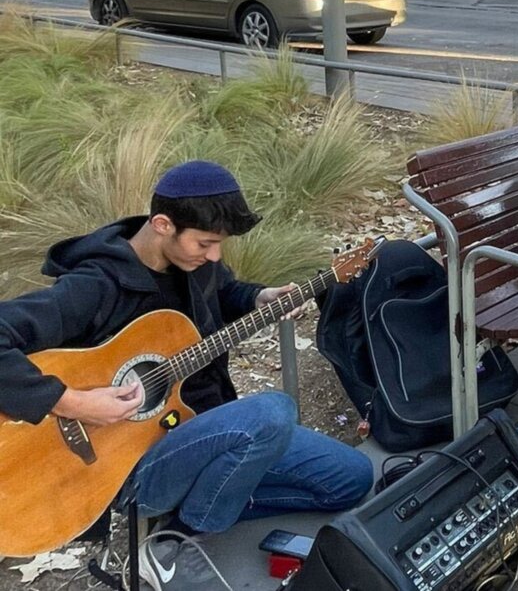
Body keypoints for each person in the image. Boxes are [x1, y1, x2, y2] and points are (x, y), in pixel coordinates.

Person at [0, 160, 373, 590]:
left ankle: (213, 497)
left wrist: (259, 297)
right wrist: (74, 401)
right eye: (206, 244)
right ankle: (175, 538)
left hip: (202, 430)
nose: (214, 255)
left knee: (351, 479)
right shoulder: (94, 285)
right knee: (273, 412)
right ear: (162, 225)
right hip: (127, 465)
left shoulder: (197, 264)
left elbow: (224, 293)